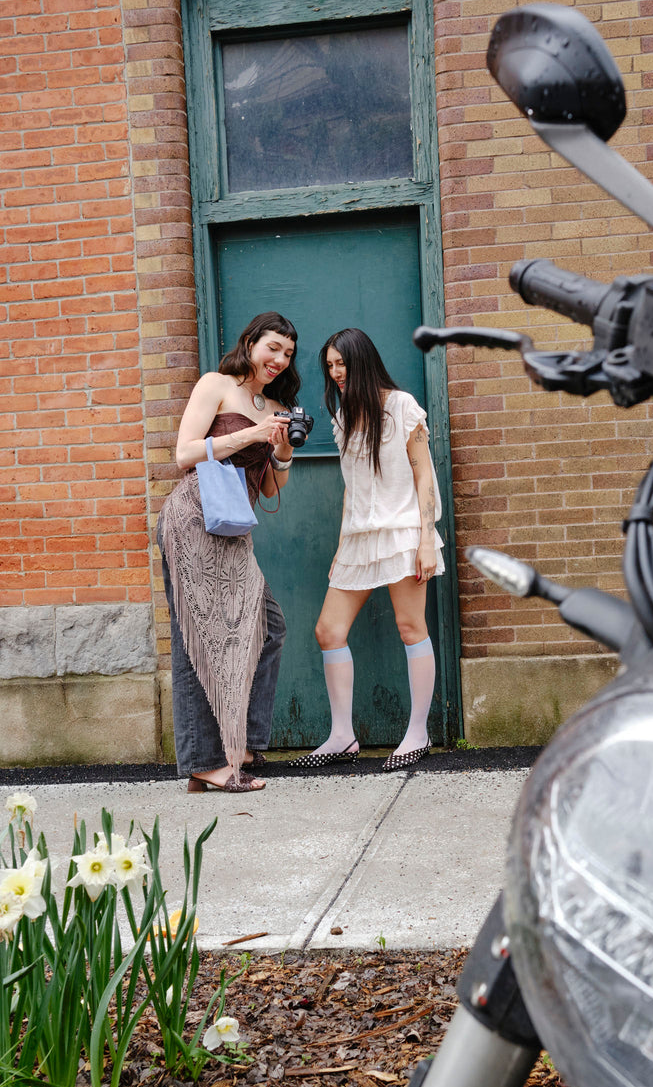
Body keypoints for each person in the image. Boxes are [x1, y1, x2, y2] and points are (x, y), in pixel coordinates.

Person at [157, 312, 300, 793]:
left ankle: (239, 747)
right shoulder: (216, 384)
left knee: (269, 626)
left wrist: (281, 450)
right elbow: (183, 453)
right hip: (195, 515)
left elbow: (272, 484)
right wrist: (249, 434)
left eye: (288, 353)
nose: (279, 359)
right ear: (251, 342)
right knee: (196, 631)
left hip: (234, 525)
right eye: (273, 348)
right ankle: (203, 763)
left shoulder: (276, 405)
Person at [290, 328, 445, 773]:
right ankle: (343, 737)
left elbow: (423, 477)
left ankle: (417, 733)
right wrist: (341, 549)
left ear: (363, 361)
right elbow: (351, 491)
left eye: (343, 364)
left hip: (402, 533)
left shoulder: (401, 406)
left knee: (410, 627)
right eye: (331, 366)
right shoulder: (344, 420)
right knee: (328, 631)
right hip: (358, 540)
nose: (336, 373)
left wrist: (424, 538)